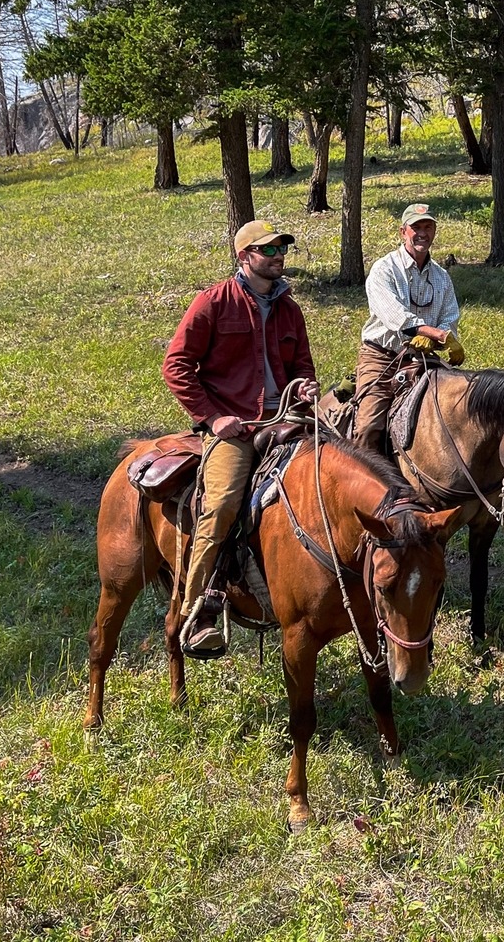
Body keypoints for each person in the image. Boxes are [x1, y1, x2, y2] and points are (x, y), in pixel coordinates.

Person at [162, 220, 318, 655]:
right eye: (267, 250)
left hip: (287, 419)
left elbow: (303, 367)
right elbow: (176, 366)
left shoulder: (290, 310)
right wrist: (212, 419)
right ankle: (197, 612)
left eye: (280, 248)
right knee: (225, 502)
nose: (277, 256)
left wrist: (305, 387)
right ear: (244, 256)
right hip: (235, 429)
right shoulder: (213, 303)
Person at [352, 203, 463, 453]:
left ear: (434, 231)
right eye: (416, 227)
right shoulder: (384, 270)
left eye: (428, 227)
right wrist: (436, 334)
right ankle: (362, 481)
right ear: (403, 232)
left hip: (423, 357)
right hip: (382, 357)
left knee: (457, 411)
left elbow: (450, 316)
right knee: (369, 426)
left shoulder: (442, 277)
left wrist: (440, 338)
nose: (422, 233)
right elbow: (396, 318)